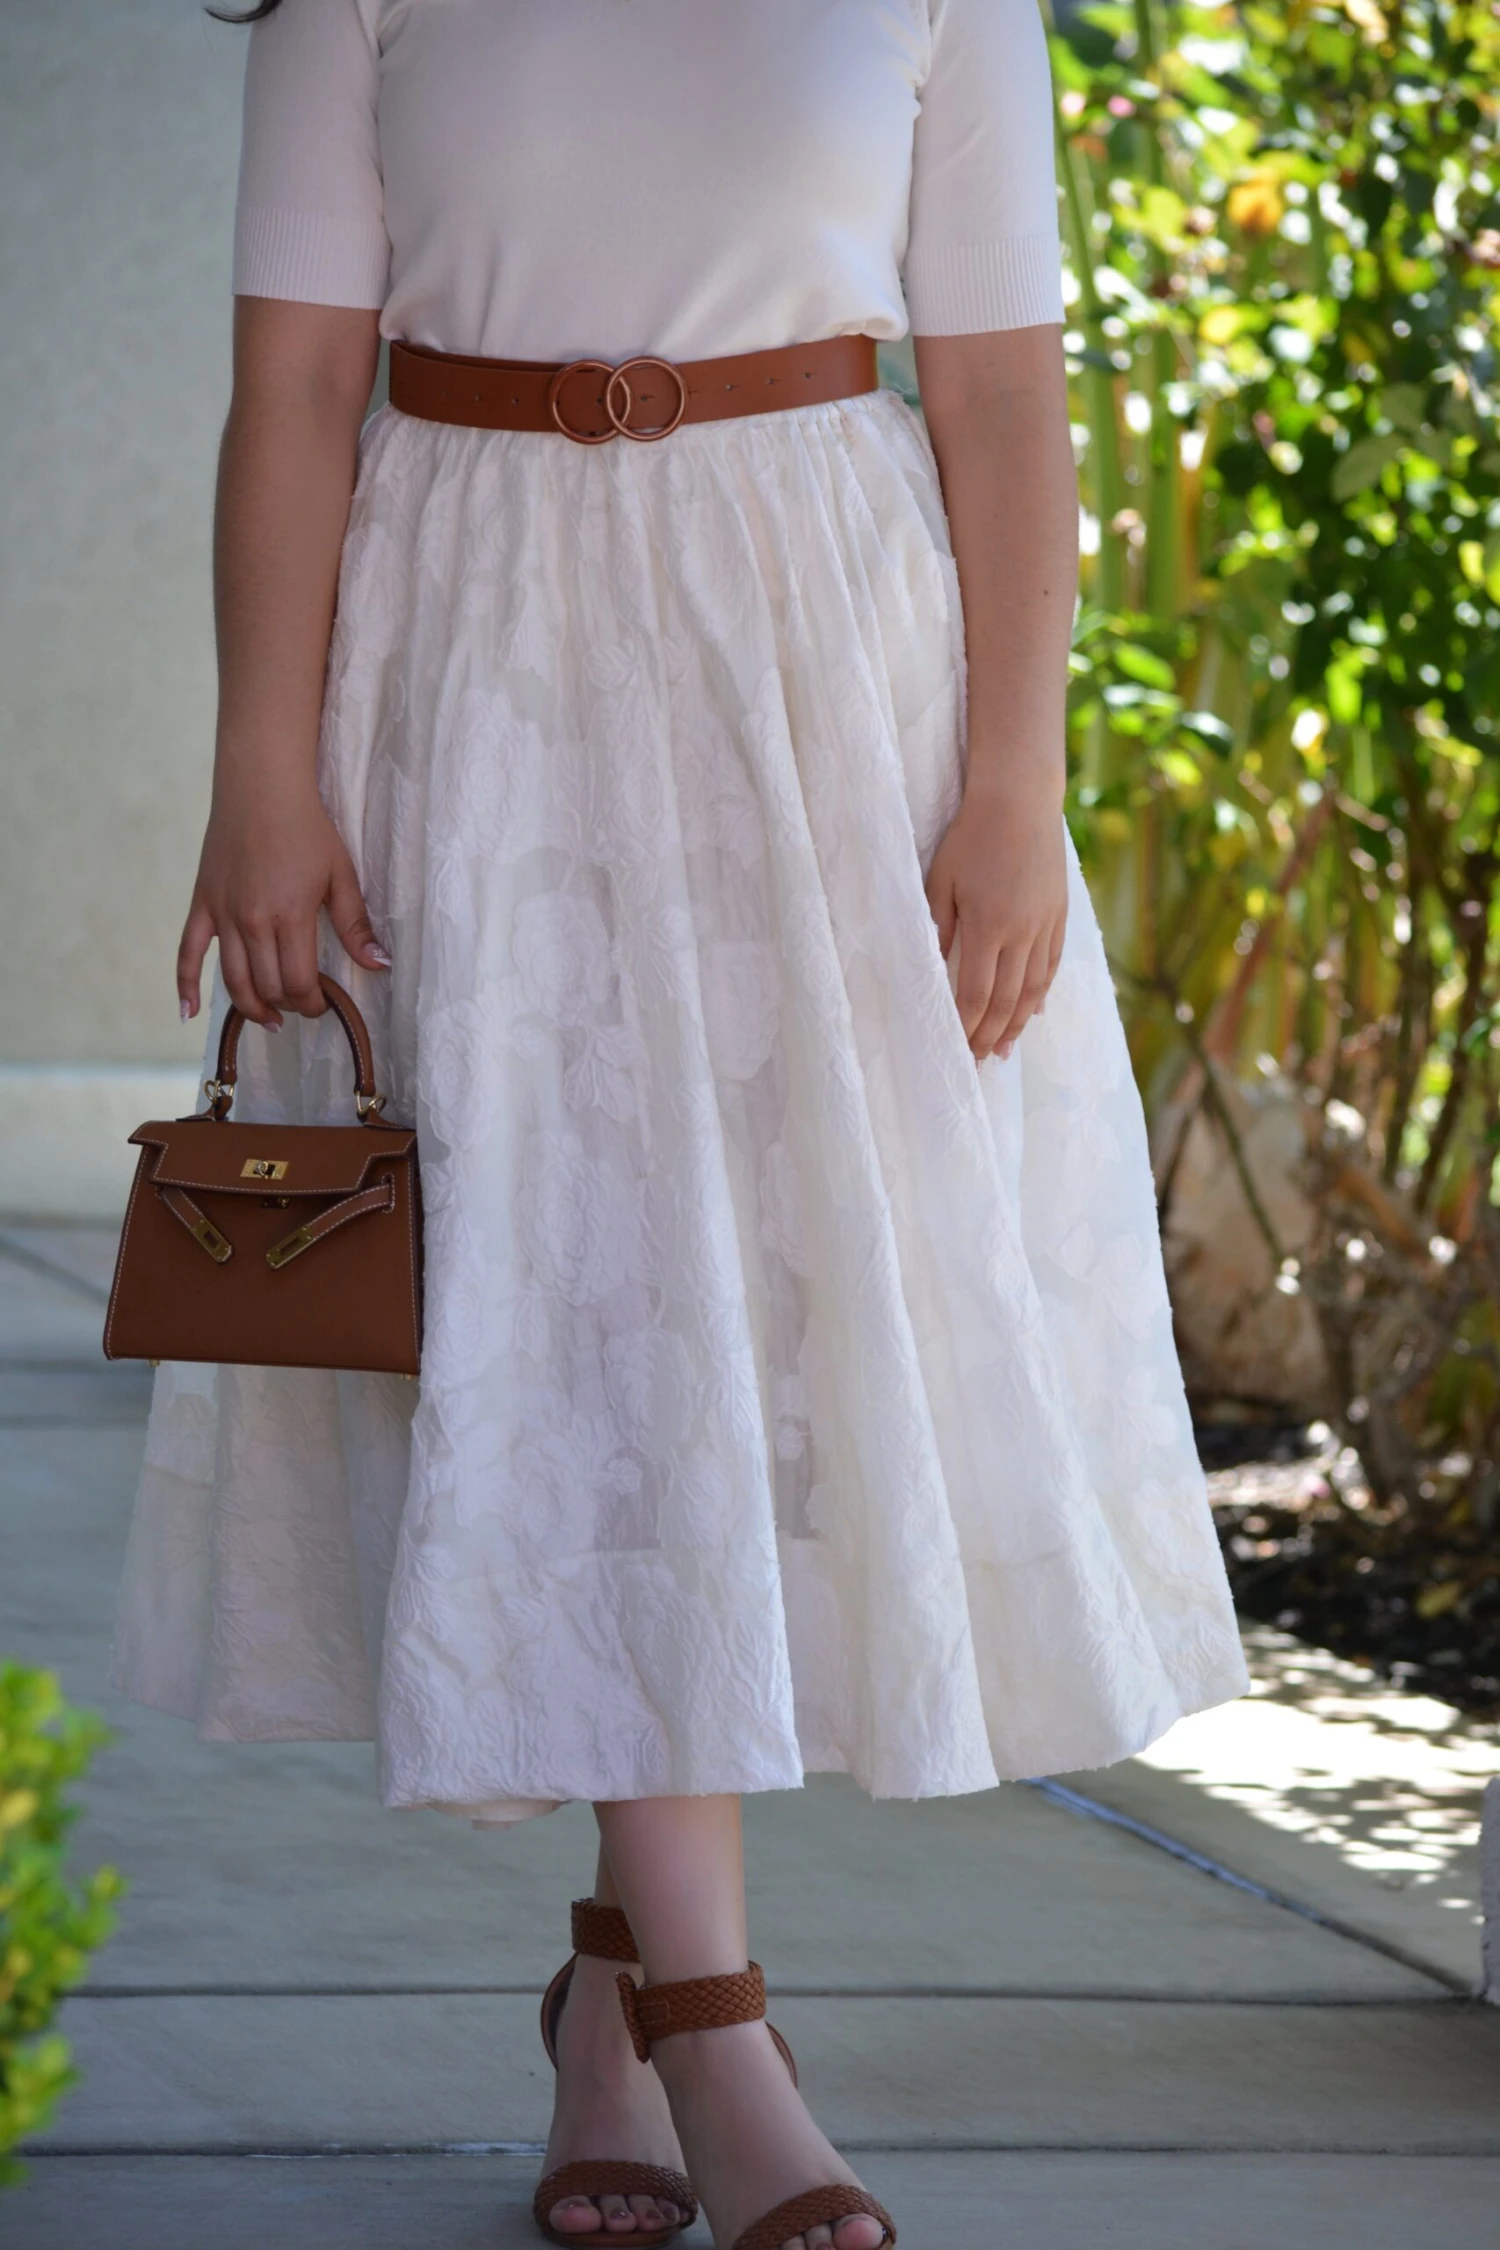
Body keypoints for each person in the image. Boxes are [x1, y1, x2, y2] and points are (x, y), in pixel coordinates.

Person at [113, 4, 1251, 2247]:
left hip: (824, 672)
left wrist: (1014, 786)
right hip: (476, 659)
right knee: (576, 1319)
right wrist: (260, 768)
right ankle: (718, 2029)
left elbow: (1003, 392)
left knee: (741, 1339)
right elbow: (303, 383)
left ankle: (616, 2006)